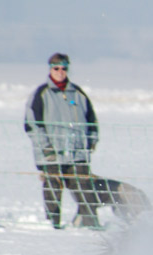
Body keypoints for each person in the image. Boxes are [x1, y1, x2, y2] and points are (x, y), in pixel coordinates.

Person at [23, 53, 101, 229]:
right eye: (56, 68)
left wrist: (89, 143)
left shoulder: (78, 93)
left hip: (77, 153)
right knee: (53, 187)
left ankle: (90, 223)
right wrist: (46, 148)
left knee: (84, 188)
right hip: (52, 153)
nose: (60, 72)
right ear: (50, 69)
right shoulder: (42, 94)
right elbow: (32, 125)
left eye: (64, 68)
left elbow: (92, 122)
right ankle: (52, 224)